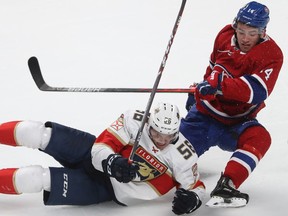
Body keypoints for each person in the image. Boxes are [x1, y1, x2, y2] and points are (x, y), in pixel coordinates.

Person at [0, 102, 205, 215]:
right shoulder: (134, 119)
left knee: (37, 178)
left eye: (168, 136)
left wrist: (192, 200)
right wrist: (113, 162)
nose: (162, 140)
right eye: (157, 133)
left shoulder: (184, 155)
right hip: (89, 152)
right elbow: (102, 147)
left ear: (177, 132)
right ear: (150, 122)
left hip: (105, 190)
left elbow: (196, 186)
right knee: (37, 133)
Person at [180, 1, 283, 208]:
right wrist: (201, 89)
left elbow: (256, 91)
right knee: (167, 162)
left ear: (263, 32)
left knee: (260, 138)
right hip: (204, 117)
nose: (245, 38)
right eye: (241, 31)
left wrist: (220, 85)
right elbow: (212, 69)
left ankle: (227, 185)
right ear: (235, 25)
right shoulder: (225, 36)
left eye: (251, 33)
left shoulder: (272, 55)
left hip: (237, 123)